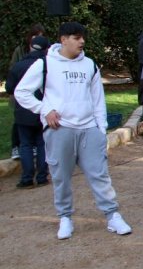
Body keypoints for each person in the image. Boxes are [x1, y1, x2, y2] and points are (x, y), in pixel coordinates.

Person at [14, 22, 132, 239]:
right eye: (76, 37)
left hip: (89, 130)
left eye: (82, 37)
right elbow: (22, 92)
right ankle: (65, 218)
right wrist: (45, 109)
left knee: (100, 175)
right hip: (60, 129)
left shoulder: (90, 65)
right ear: (63, 39)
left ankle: (112, 215)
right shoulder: (45, 64)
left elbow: (98, 100)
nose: (82, 41)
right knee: (61, 176)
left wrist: (100, 128)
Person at [6, 35, 51, 189]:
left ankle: (26, 178)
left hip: (23, 110)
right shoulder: (48, 65)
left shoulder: (18, 65)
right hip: (43, 109)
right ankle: (42, 176)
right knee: (42, 143)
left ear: (31, 46)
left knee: (25, 144)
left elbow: (9, 88)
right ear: (47, 49)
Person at [8, 23, 45, 160]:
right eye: (35, 36)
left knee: (36, 122)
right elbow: (13, 69)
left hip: (37, 92)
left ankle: (34, 149)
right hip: (22, 90)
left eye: (40, 36)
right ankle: (16, 147)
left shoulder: (44, 56)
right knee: (20, 122)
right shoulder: (20, 51)